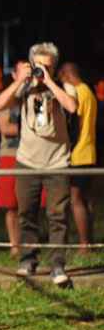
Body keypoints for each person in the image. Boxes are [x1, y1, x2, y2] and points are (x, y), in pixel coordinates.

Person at [0, 42, 77, 286]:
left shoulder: (64, 87)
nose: (42, 70)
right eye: (38, 65)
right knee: (26, 213)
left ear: (55, 67)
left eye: (47, 66)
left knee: (57, 215)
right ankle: (27, 260)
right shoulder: (24, 89)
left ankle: (57, 265)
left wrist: (49, 81)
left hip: (57, 162)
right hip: (27, 161)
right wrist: (21, 80)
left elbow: (72, 107)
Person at [59, 62, 97, 252]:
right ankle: (89, 240)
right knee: (85, 198)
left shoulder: (79, 93)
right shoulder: (89, 91)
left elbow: (76, 123)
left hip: (79, 154)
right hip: (90, 151)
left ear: (66, 75)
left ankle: (84, 245)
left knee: (75, 199)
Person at [0, 60, 28, 257]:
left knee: (30, 204)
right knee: (11, 205)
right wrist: (32, 130)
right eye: (22, 72)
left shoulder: (32, 96)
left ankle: (29, 242)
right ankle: (14, 245)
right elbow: (5, 128)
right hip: (10, 155)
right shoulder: (7, 98)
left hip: (32, 156)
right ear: (15, 75)